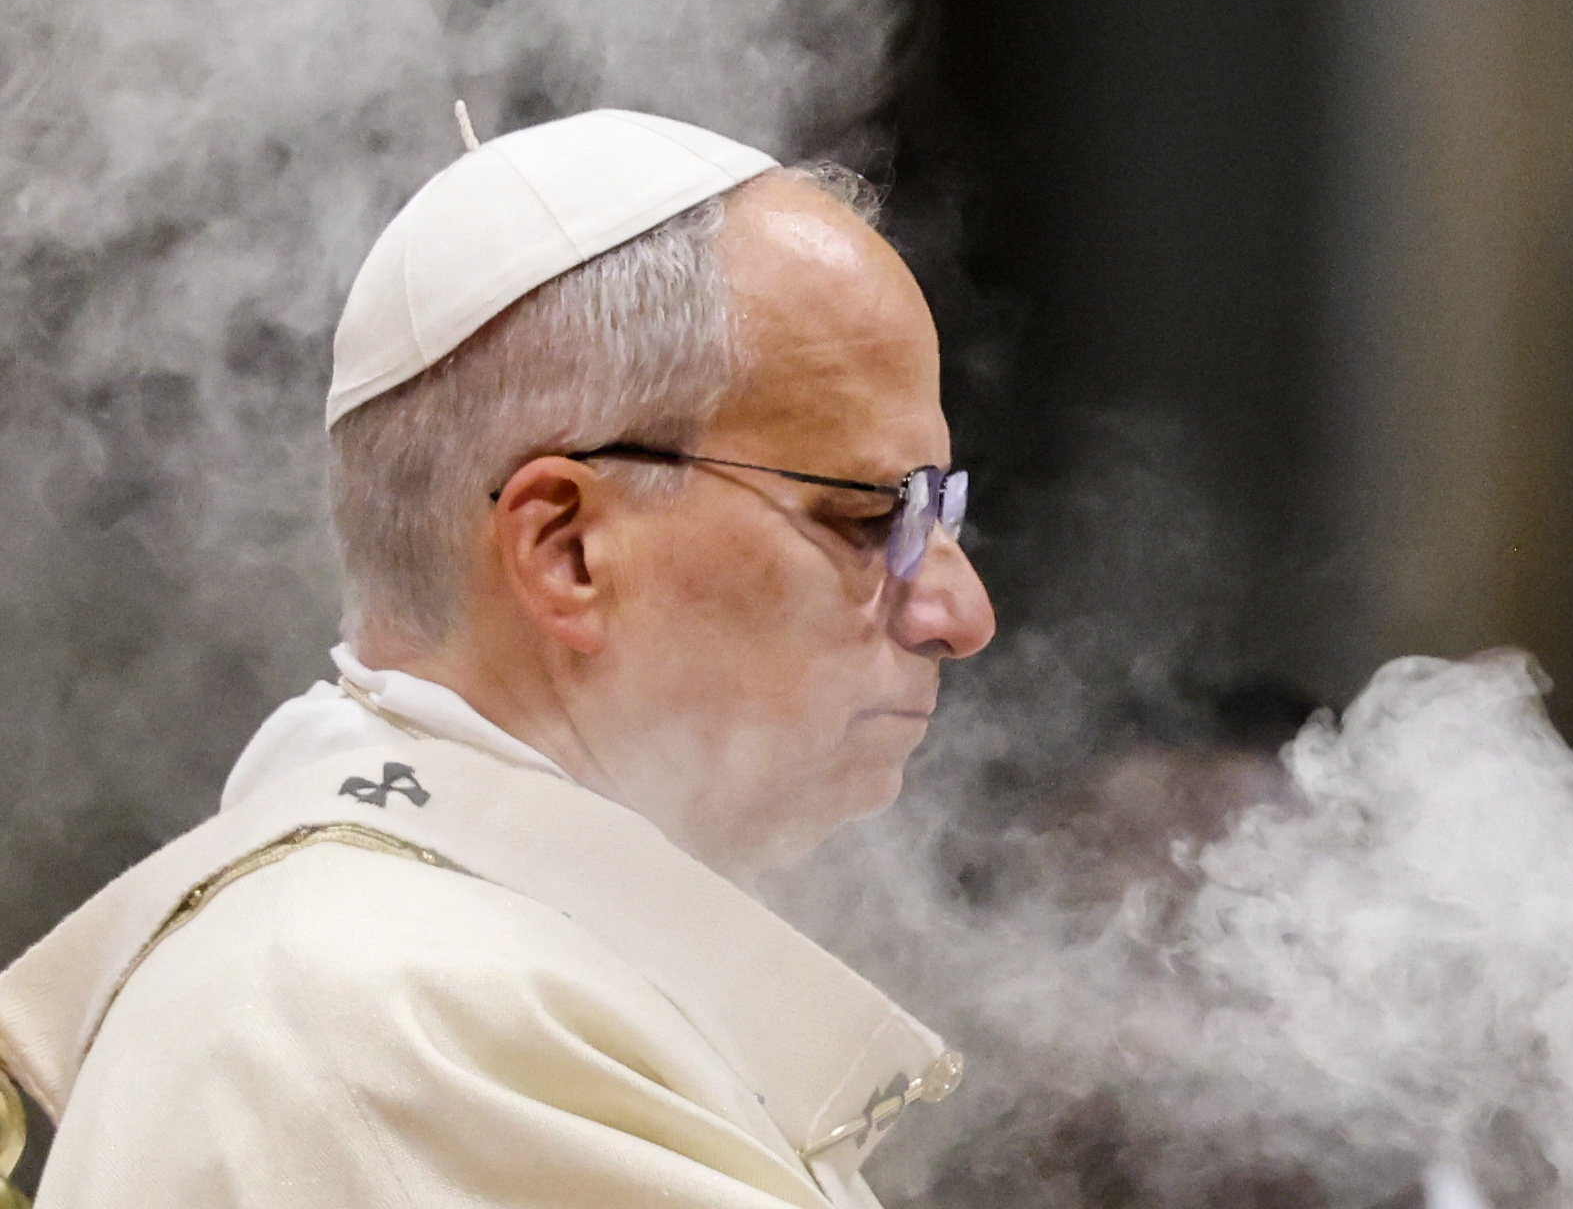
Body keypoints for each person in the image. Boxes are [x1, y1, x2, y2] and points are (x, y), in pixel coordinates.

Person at [0, 107, 996, 1207]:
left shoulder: (508, 972)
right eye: (869, 516)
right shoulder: (391, 1023)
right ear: (567, 549)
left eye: (941, 508)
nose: (957, 610)